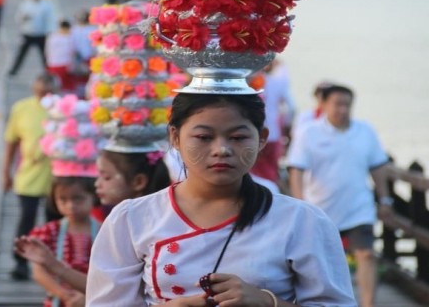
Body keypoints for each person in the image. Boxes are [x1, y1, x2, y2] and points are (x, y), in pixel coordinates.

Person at [86, 93, 356, 306]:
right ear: (175, 137)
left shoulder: (303, 221)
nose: (222, 149)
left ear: (262, 139)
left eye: (238, 137)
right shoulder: (132, 219)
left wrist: (266, 301)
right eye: (203, 137)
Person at [287, 84, 393, 307]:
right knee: (321, 262)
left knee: (366, 255)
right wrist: (299, 202)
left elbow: (378, 169)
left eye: (347, 104)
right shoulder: (309, 133)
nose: (342, 109)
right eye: (337, 104)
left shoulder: (365, 131)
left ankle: (368, 304)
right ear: (323, 104)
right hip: (320, 208)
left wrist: (385, 199)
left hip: (359, 207)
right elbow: (296, 170)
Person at [15, 147, 171, 295]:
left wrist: (54, 266)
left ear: (138, 182)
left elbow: (112, 291)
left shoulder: (136, 230)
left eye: (106, 177)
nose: (97, 184)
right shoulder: (132, 224)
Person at [3, 73, 56, 280]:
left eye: (48, 89)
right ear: (34, 88)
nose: (44, 93)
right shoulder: (22, 108)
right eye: (40, 88)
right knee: (27, 219)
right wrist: (5, 172)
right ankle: (21, 262)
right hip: (29, 173)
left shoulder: (62, 107)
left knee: (54, 221)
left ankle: (54, 262)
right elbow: (11, 143)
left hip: (56, 175)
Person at [25, 177, 99, 307]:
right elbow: (38, 272)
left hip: (95, 297)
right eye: (63, 199)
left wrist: (87, 295)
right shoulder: (49, 231)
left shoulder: (104, 231)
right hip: (59, 300)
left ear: (93, 196)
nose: (70, 206)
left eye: (78, 198)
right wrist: (63, 295)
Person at [250, 61, 296, 184]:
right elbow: (291, 108)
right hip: (273, 136)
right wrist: (287, 129)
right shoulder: (277, 82)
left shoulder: (247, 80)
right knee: (270, 174)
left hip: (251, 134)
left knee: (252, 173)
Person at [8, 0, 55, 76]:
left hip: (41, 34)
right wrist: (23, 19)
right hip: (28, 33)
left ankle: (48, 72)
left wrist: (50, 32)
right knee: (21, 54)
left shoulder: (45, 5)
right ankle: (13, 71)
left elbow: (50, 20)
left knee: (45, 55)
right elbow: (18, 18)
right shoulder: (25, 4)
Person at [45, 20, 76, 92]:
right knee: (65, 87)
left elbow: (47, 51)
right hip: (63, 65)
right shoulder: (68, 38)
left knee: (54, 86)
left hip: (52, 64)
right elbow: (71, 52)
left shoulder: (51, 36)